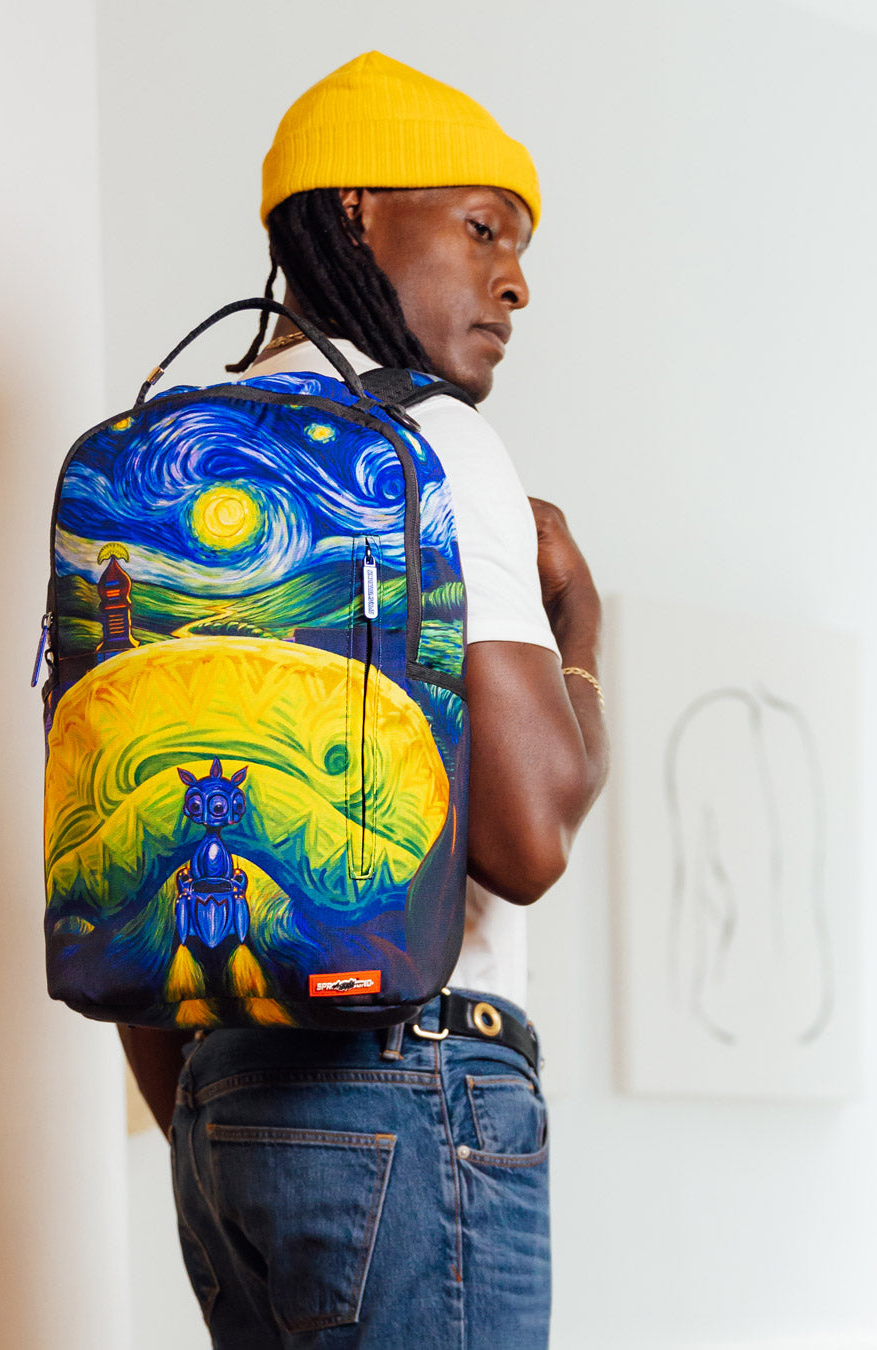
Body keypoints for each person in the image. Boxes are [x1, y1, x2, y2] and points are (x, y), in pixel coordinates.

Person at [118, 51, 608, 1349]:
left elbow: (134, 855)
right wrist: (580, 629)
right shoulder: (435, 446)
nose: (516, 279)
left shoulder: (167, 456)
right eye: (483, 228)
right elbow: (528, 844)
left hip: (218, 1106)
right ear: (353, 214)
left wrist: (229, 1105)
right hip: (415, 1082)